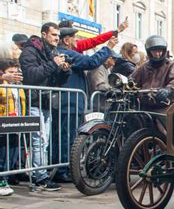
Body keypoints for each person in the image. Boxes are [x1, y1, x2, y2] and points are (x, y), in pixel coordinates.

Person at [53, 27, 118, 182]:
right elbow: (90, 62)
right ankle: (62, 170)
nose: (77, 41)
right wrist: (108, 48)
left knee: (63, 136)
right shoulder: (66, 54)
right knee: (67, 137)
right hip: (69, 102)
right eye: (74, 38)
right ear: (66, 40)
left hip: (69, 102)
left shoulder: (63, 53)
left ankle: (61, 168)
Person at [19, 22, 71, 191]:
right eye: (54, 35)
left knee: (44, 141)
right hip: (34, 101)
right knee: (38, 141)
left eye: (58, 35)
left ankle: (40, 174)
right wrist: (53, 64)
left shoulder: (53, 52)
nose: (57, 38)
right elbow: (32, 76)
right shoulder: (30, 51)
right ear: (44, 34)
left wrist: (64, 70)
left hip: (47, 102)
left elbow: (56, 81)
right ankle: (40, 177)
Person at [130, 35, 174, 111]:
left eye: (159, 51)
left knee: (166, 121)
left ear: (164, 51)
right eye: (154, 51)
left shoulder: (170, 65)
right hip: (145, 107)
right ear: (149, 51)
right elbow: (132, 81)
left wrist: (168, 89)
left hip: (165, 107)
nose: (157, 54)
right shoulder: (144, 67)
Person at [0, 58, 27, 196]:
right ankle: (1, 180)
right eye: (10, 72)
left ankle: (6, 178)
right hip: (3, 124)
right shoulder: (2, 84)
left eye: (16, 72)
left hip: (16, 123)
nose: (14, 75)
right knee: (3, 153)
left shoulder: (19, 85)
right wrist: (2, 78)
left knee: (13, 153)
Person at [59, 19, 128, 54]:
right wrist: (117, 31)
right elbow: (94, 41)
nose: (76, 38)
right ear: (66, 39)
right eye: (73, 35)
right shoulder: (76, 45)